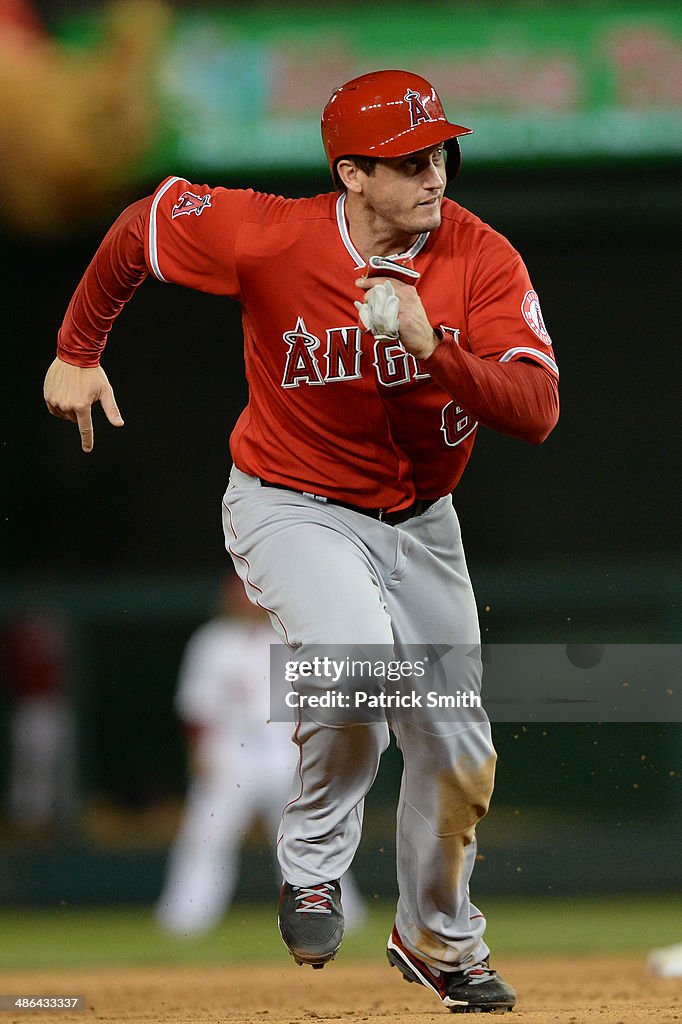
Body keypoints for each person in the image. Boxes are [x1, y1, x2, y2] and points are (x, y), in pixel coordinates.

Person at [43, 70, 559, 1013]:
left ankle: (439, 941)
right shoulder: (271, 235)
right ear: (352, 173)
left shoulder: (482, 259)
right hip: (293, 502)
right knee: (357, 665)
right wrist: (79, 350)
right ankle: (313, 865)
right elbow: (137, 228)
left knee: (457, 752)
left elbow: (537, 411)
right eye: (407, 162)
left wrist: (434, 345)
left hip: (424, 527)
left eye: (440, 151)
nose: (435, 174)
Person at [156, 572, 366, 937]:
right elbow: (196, 708)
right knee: (206, 835)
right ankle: (185, 920)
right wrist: (200, 753)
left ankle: (340, 912)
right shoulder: (213, 642)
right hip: (229, 752)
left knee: (309, 836)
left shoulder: (289, 639)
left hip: (285, 751)